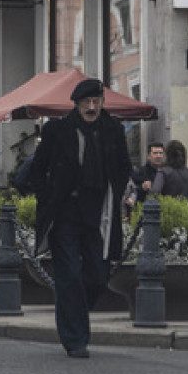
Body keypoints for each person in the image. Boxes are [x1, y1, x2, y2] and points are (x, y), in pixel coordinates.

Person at [29, 77, 132, 358]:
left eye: (95, 101)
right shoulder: (58, 131)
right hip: (65, 213)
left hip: (99, 214)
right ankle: (75, 339)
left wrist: (118, 193)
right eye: (86, 102)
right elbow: (35, 170)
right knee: (70, 276)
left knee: (98, 277)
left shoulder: (112, 130)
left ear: (101, 102)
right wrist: (46, 196)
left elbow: (124, 168)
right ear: (76, 104)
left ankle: (74, 313)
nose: (91, 107)